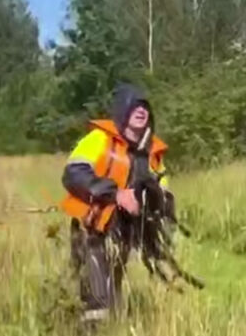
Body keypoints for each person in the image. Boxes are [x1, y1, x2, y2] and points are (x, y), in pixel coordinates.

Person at [60, 83, 173, 322]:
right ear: (123, 110)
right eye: (135, 106)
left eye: (145, 107)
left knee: (113, 290)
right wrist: (116, 195)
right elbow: (73, 173)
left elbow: (163, 193)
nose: (142, 110)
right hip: (92, 227)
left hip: (124, 232)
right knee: (96, 295)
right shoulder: (99, 139)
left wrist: (153, 206)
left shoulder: (151, 153)